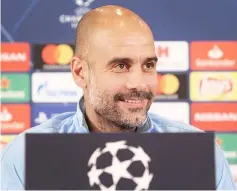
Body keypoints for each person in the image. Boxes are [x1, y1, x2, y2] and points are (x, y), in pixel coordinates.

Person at [1, 5, 236, 190]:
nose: (139, 83)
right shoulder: (26, 156)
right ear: (80, 72)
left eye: (148, 65)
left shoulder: (197, 155)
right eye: (121, 65)